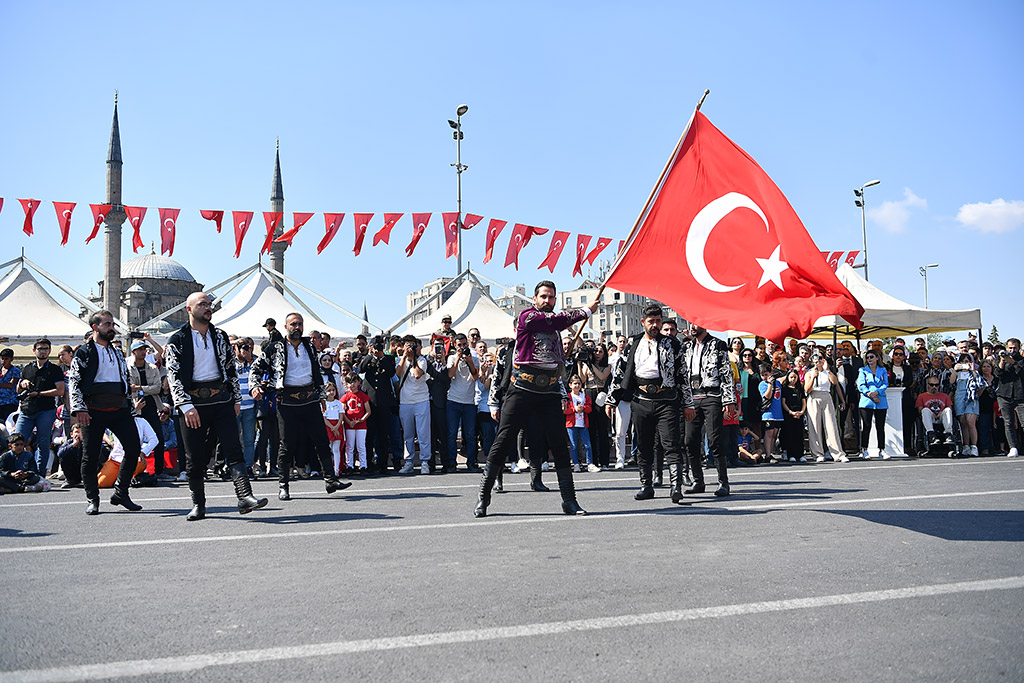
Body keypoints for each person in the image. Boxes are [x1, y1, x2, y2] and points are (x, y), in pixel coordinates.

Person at [474, 280, 597, 518]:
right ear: (534, 299)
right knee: (503, 441)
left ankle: (569, 500)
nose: (547, 301)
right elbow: (556, 320)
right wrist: (586, 311)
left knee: (560, 445)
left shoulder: (555, 325)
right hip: (521, 389)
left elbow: (559, 364)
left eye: (551, 297)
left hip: (549, 390)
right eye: (543, 296)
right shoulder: (528, 317)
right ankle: (484, 497)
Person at [165, 293, 268, 521]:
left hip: (221, 400)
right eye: (202, 305)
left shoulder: (220, 336)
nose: (208, 308)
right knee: (194, 457)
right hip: (193, 404)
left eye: (209, 305)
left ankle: (245, 497)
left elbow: (230, 369)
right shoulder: (177, 339)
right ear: (189, 309)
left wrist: (236, 399)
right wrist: (185, 406)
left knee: (233, 448)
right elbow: (173, 376)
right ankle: (198, 505)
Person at [253, 312, 350, 501]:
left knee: (321, 440)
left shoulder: (310, 347)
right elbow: (256, 369)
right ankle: (283, 485)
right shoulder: (275, 348)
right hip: (287, 401)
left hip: (310, 400)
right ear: (286, 326)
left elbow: (317, 373)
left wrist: (322, 395)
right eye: (293, 324)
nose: (297, 327)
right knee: (287, 445)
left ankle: (330, 480)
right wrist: (255, 387)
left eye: (300, 324)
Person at [607, 304, 694, 503]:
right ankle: (646, 486)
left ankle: (675, 486)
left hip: (667, 401)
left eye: (658, 321)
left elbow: (683, 375)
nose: (655, 325)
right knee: (644, 445)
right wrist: (611, 400)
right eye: (651, 321)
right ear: (643, 322)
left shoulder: (673, 345)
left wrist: (688, 404)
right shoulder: (633, 345)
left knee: (671, 444)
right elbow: (620, 374)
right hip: (641, 401)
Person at [66, 312, 143, 515]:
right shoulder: (84, 352)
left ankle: (121, 492)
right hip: (93, 410)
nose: (112, 327)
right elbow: (73, 381)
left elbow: (124, 378)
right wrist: (79, 408)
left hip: (119, 408)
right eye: (107, 324)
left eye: (112, 324)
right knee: (90, 456)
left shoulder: (117, 352)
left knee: (134, 448)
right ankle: (93, 499)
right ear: (95, 327)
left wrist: (129, 404)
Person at [683, 323, 737, 496]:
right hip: (692, 397)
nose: (692, 326)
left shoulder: (718, 344)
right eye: (690, 322)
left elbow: (725, 373)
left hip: (711, 395)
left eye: (696, 322)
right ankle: (698, 481)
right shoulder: (687, 347)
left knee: (715, 439)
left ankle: (723, 482)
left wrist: (728, 399)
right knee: (690, 440)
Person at [16, 338, 66, 475]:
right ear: (34, 350)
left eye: (46, 349)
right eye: (40, 349)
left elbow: (60, 391)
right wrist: (23, 383)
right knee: (17, 440)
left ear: (50, 351)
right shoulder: (27, 368)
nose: (43, 351)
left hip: (46, 410)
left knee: (43, 443)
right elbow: (17, 390)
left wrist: (38, 393)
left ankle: (39, 473)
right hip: (27, 409)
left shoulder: (55, 369)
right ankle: (16, 472)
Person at [128, 339, 170, 481]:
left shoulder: (152, 367)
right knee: (133, 437)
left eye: (144, 349)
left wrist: (139, 388)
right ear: (133, 352)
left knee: (157, 437)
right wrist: (145, 389)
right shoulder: (128, 367)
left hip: (151, 404)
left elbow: (157, 388)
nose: (143, 352)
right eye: (140, 349)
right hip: (135, 405)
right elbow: (128, 388)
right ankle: (132, 468)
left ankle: (159, 470)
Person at [396, 335, 431, 475]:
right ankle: (408, 461)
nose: (410, 348)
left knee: (423, 433)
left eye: (412, 346)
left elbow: (417, 374)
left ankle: (425, 461)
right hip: (405, 401)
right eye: (407, 345)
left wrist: (414, 358)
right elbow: (397, 374)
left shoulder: (422, 360)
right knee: (408, 434)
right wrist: (404, 357)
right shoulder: (400, 360)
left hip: (421, 400)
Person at [804, 354, 848, 463]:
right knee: (815, 426)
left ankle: (838, 453)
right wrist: (813, 377)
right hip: (814, 396)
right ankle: (818, 453)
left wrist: (827, 369)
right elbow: (807, 389)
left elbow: (835, 382)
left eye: (820, 359)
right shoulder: (809, 373)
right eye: (815, 360)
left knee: (831, 425)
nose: (818, 362)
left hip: (826, 396)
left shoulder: (827, 372)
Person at [447, 333, 480, 472]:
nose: (462, 347)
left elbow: (475, 376)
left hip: (469, 402)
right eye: (459, 345)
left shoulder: (474, 358)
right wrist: (458, 358)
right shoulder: (451, 357)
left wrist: (469, 361)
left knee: (471, 435)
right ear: (455, 345)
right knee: (451, 434)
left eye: (464, 345)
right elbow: (450, 374)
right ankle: (451, 463)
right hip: (453, 400)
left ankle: (471, 462)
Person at [857, 349, 890, 459]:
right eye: (867, 357)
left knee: (880, 426)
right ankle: (864, 449)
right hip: (867, 401)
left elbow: (885, 384)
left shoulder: (883, 370)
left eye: (871, 357)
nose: (869, 359)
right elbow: (861, 384)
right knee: (866, 426)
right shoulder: (862, 370)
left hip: (880, 401)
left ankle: (881, 449)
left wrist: (877, 392)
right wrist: (870, 393)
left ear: (877, 358)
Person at [564, 376, 596, 473]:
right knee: (574, 445)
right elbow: (565, 410)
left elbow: (589, 408)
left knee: (587, 444)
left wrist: (583, 408)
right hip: (572, 424)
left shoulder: (584, 396)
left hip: (583, 424)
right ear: (570, 385)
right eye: (575, 383)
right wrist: (574, 410)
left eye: (579, 383)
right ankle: (576, 463)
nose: (577, 385)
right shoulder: (568, 397)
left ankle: (590, 463)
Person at [952, 353, 982, 456]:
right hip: (959, 398)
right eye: (963, 361)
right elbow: (951, 381)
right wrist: (955, 369)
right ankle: (966, 446)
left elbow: (980, 383)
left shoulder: (974, 372)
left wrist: (972, 370)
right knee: (963, 423)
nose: (965, 364)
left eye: (967, 361)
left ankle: (974, 446)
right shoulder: (957, 373)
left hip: (971, 398)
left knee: (970, 422)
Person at [341, 373, 372, 473]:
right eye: (349, 382)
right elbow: (343, 411)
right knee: (349, 446)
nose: (352, 385)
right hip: (349, 425)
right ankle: (349, 465)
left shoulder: (363, 395)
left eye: (354, 382)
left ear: (359, 382)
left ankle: (363, 466)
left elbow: (368, 411)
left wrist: (361, 420)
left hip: (361, 425)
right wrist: (349, 422)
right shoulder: (345, 396)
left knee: (361, 446)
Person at [916, 378, 955, 454]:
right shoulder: (922, 396)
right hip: (929, 418)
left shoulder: (945, 396)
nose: (934, 387)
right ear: (928, 385)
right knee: (925, 410)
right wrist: (931, 413)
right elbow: (920, 411)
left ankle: (948, 434)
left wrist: (940, 412)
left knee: (947, 410)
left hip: (942, 418)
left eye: (936, 385)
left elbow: (950, 408)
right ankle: (931, 435)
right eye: (932, 385)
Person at [758, 365, 784, 462]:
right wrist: (769, 384)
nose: (765, 377)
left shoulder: (777, 383)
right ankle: (768, 455)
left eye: (766, 374)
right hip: (768, 413)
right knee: (769, 433)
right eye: (762, 375)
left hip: (778, 413)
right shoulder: (762, 384)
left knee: (774, 433)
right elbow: (767, 396)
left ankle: (771, 453)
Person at [780, 369, 806, 462]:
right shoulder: (785, 389)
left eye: (795, 377)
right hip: (789, 414)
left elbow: (803, 401)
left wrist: (802, 411)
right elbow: (783, 402)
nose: (793, 379)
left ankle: (800, 454)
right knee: (790, 435)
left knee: (799, 435)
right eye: (791, 377)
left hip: (799, 414)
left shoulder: (799, 388)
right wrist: (790, 412)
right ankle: (791, 455)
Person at [322, 381, 345, 475]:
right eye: (329, 390)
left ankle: (336, 469)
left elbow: (341, 416)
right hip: (328, 426)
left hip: (338, 425)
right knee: (328, 449)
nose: (331, 392)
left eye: (333, 390)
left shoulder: (338, 403)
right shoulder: (324, 403)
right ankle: (328, 469)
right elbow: (324, 418)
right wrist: (332, 428)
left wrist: (336, 427)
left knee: (336, 449)